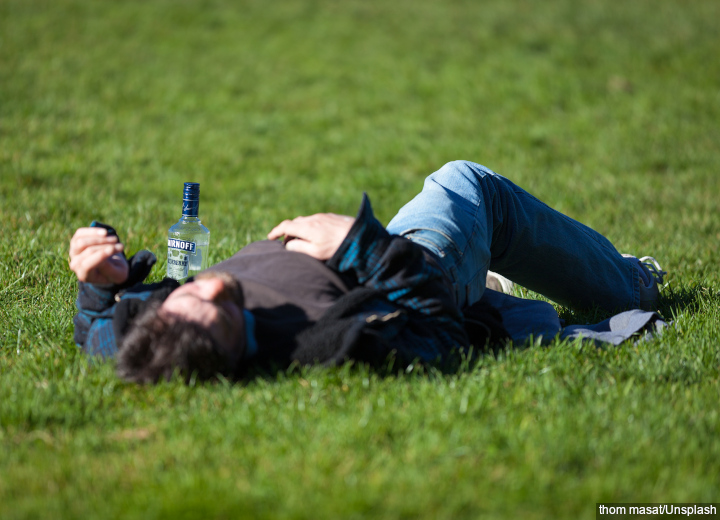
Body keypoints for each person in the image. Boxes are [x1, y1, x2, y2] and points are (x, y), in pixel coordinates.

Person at [70, 161, 666, 383]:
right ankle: (630, 282)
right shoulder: (330, 346)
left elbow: (99, 329)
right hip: (410, 265)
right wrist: (359, 246)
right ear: (231, 352)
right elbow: (439, 332)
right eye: (225, 310)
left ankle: (494, 287)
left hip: (378, 257)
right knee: (466, 185)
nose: (213, 286)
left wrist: (98, 280)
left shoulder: (151, 338)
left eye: (189, 294)